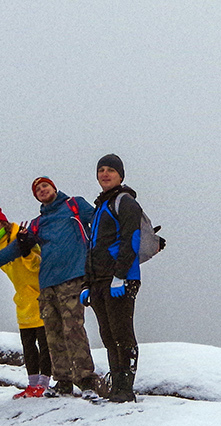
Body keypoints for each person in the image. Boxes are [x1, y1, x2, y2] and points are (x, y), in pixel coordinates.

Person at [0, 177, 100, 398]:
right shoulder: (37, 224)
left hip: (72, 277)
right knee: (53, 334)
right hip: (47, 284)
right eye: (37, 189)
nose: (41, 190)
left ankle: (86, 381)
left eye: (44, 185)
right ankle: (63, 380)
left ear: (54, 188)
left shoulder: (74, 205)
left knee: (73, 329)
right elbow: (13, 250)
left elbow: (103, 223)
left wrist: (139, 234)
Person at [83, 153, 146, 403]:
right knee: (108, 335)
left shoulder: (125, 202)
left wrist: (120, 276)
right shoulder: (100, 206)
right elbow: (92, 247)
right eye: (101, 170)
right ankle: (116, 387)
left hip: (120, 279)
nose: (105, 174)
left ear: (121, 175)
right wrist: (87, 283)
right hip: (99, 281)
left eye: (110, 170)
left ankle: (125, 388)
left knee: (122, 333)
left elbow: (132, 240)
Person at [0, 206, 49, 398]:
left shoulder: (21, 235)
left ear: (3, 221)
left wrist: (26, 252)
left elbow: (38, 265)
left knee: (44, 342)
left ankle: (44, 384)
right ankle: (32, 385)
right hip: (22, 299)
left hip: (41, 294)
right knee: (28, 344)